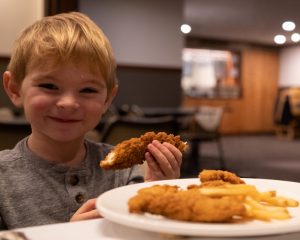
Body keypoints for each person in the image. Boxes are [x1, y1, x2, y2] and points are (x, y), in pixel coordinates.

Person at [0, 12, 182, 230]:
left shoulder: (124, 172)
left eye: (87, 89)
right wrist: (67, 235)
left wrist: (156, 192)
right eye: (49, 86)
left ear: (107, 99)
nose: (68, 103)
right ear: (14, 89)